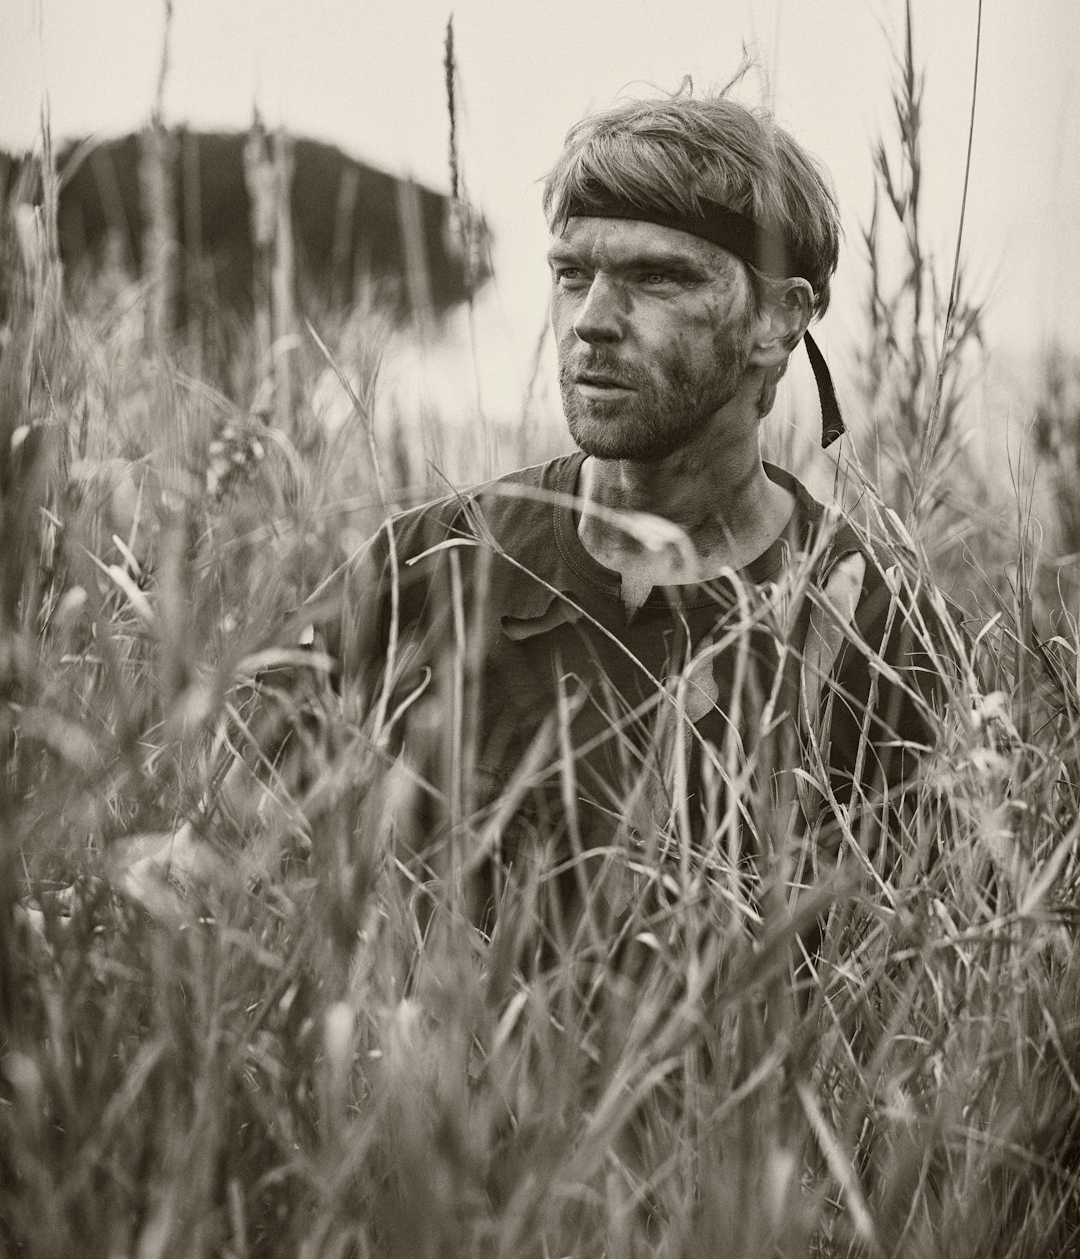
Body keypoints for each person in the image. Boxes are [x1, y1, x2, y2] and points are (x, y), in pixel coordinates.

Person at [316, 90, 957, 936]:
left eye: (657, 276)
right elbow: (243, 844)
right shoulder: (430, 564)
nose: (590, 322)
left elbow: (929, 980)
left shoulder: (875, 625)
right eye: (571, 273)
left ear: (778, 318)